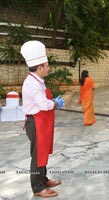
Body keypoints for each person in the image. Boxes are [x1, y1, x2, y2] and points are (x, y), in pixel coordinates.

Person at [21, 40, 64, 197]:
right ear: (39, 67)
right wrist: (55, 103)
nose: (48, 68)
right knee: (37, 154)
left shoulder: (37, 81)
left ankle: (43, 179)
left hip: (41, 122)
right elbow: (43, 104)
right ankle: (37, 187)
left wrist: (53, 102)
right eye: (46, 66)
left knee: (42, 151)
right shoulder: (32, 84)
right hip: (36, 123)